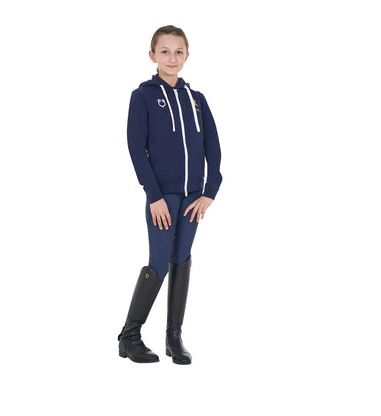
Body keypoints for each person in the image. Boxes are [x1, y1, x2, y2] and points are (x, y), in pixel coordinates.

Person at [118, 25, 222, 364]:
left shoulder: (197, 100)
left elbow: (213, 147)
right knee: (159, 262)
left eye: (178, 52)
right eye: (165, 51)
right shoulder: (143, 96)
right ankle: (129, 337)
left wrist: (210, 191)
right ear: (153, 55)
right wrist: (153, 195)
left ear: (187, 56)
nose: (172, 58)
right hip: (162, 198)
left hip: (193, 198)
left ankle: (173, 337)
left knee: (182, 258)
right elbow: (136, 149)